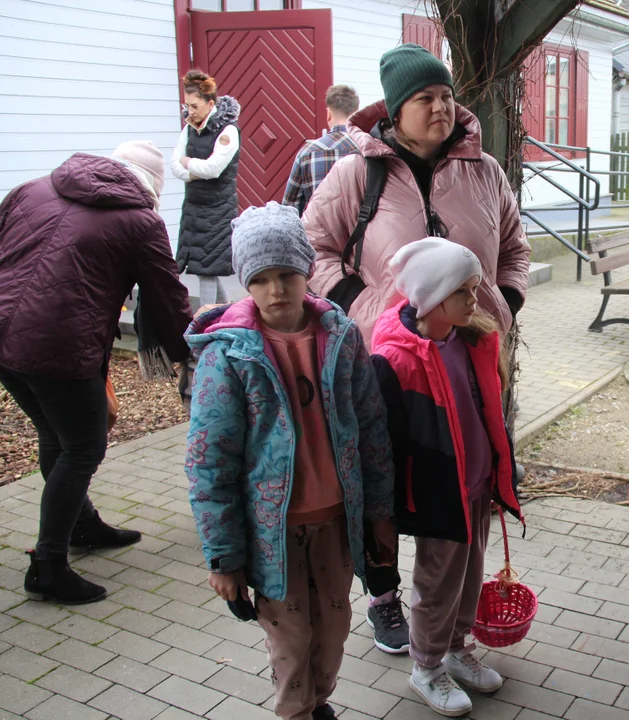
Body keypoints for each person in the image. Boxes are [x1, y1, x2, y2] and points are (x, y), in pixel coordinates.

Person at [304, 43, 531, 654]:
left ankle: (452, 613)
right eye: (425, 99)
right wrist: (358, 302)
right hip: (389, 366)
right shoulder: (357, 173)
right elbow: (314, 249)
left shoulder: (485, 171)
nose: (441, 108)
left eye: (447, 95)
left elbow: (515, 248)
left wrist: (504, 301)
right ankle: (382, 595)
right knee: (381, 483)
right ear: (396, 109)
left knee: (464, 478)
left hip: (471, 361)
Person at [185, 202, 396, 720]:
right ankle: (295, 712)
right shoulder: (227, 355)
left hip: (335, 522)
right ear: (245, 282)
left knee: (334, 625)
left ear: (307, 272)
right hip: (269, 535)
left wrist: (381, 514)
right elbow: (209, 463)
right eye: (260, 279)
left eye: (287, 274)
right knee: (291, 639)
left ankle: (318, 702)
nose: (276, 290)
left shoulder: (342, 339)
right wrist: (223, 556)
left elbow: (372, 431)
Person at [0, 142, 193, 604]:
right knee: (83, 448)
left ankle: (81, 525)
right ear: (149, 187)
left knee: (57, 437)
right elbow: (167, 296)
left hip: (6, 341)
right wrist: (192, 347)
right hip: (59, 349)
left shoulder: (32, 189)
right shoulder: (140, 221)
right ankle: (48, 565)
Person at [369, 238, 522, 717]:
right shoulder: (397, 359)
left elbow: (488, 412)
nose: (476, 301)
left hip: (475, 485)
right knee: (437, 585)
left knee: (471, 577)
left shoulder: (469, 339)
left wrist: (500, 471)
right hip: (438, 493)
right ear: (434, 296)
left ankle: (457, 648)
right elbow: (386, 441)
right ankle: (426, 666)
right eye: (466, 292)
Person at [171, 69, 242, 307]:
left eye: (194, 106)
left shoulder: (228, 131)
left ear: (210, 103)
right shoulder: (189, 128)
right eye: (187, 106)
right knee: (204, 268)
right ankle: (226, 312)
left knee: (207, 268)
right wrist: (193, 172)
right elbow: (174, 164)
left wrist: (188, 163)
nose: (190, 112)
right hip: (194, 206)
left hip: (217, 209)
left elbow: (214, 169)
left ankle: (205, 318)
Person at [282, 84, 361, 216]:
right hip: (362, 235)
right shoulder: (369, 150)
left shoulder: (307, 153)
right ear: (356, 114)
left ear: (328, 114)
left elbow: (289, 208)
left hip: (317, 233)